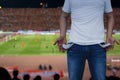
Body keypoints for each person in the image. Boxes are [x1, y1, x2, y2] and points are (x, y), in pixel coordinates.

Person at [54, 0, 115, 80]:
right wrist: (62, 35)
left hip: (97, 46)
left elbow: (110, 17)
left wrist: (109, 35)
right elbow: (63, 16)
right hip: (75, 46)